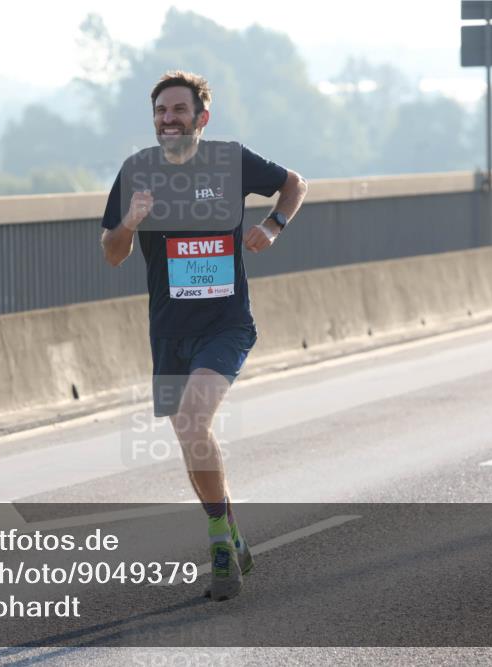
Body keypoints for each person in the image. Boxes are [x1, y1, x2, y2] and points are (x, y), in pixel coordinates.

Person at [100, 70, 307, 601]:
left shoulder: (229, 159)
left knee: (195, 418)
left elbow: (294, 183)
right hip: (169, 332)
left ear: (201, 118)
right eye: (160, 112)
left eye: (178, 110)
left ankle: (217, 538)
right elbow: (112, 251)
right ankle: (230, 529)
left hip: (225, 325)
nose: (168, 119)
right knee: (192, 441)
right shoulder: (137, 171)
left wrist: (273, 226)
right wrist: (130, 220)